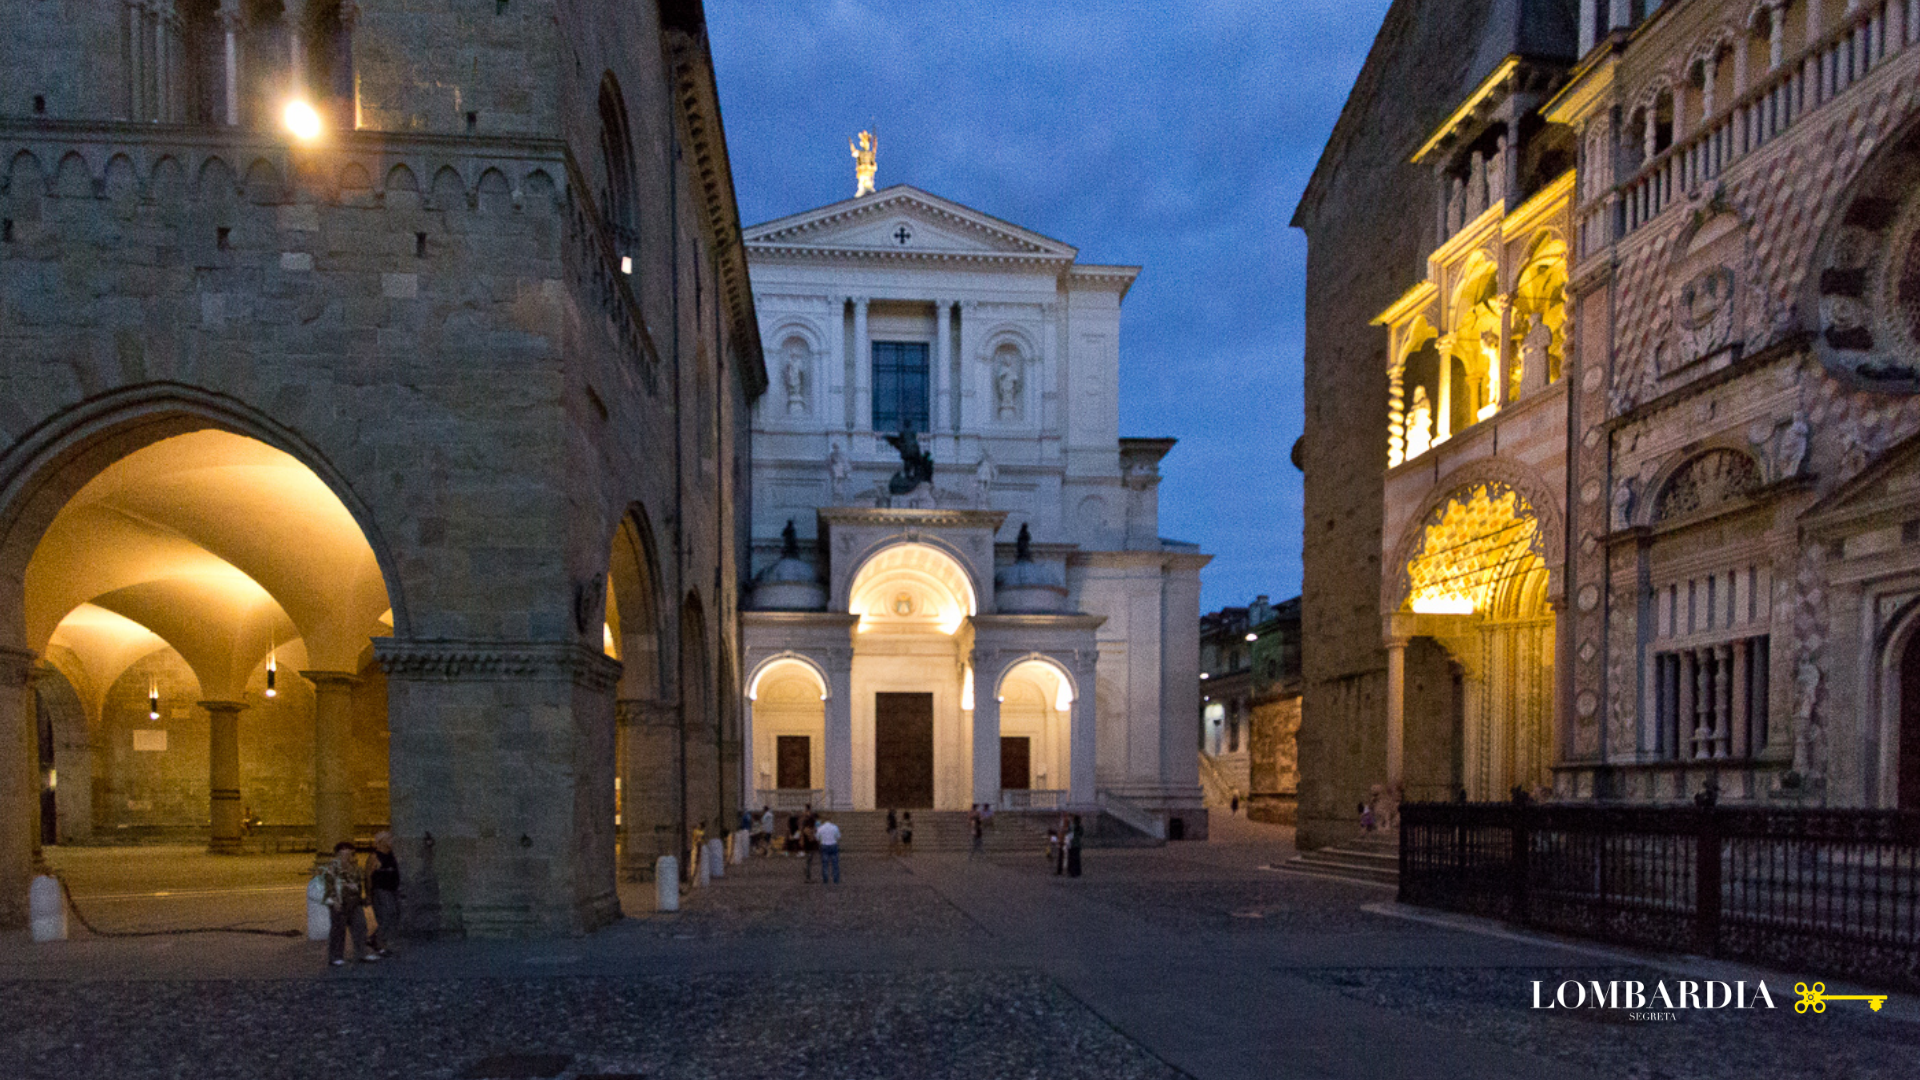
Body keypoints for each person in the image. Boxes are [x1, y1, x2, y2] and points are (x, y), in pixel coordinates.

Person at [320, 841, 379, 966]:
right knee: (338, 930)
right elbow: (329, 885)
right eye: (343, 852)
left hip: (355, 902)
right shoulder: (332, 867)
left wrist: (363, 898)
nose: (346, 855)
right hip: (340, 902)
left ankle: (362, 953)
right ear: (338, 853)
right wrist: (334, 900)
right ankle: (335, 956)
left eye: (349, 852)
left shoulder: (355, 867)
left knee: (360, 927)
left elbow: (358, 885)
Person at [365, 831, 400, 956]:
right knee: (387, 914)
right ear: (381, 842)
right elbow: (368, 876)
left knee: (394, 915)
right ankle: (379, 942)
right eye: (389, 839)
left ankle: (376, 939)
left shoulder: (391, 854)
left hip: (392, 889)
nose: (392, 841)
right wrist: (369, 895)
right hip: (381, 890)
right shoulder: (374, 856)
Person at [816, 815, 841, 885]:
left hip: (824, 845)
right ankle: (836, 879)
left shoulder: (820, 828)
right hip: (833, 844)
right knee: (835, 863)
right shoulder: (834, 827)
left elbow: (817, 838)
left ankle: (825, 879)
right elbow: (838, 836)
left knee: (825, 864)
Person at [801, 817, 820, 883]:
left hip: (808, 847)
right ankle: (808, 878)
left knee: (809, 862)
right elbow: (811, 839)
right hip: (809, 847)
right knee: (808, 863)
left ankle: (807, 875)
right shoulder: (808, 830)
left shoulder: (805, 829)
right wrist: (814, 833)